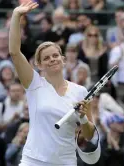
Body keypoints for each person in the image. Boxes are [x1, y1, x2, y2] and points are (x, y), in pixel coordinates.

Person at [9, 1, 99, 166]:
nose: (52, 60)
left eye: (55, 56)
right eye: (46, 58)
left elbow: (89, 135)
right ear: (39, 64)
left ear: (63, 59)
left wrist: (83, 118)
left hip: (65, 162)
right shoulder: (34, 83)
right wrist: (16, 15)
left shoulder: (80, 91)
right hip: (33, 161)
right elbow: (14, 52)